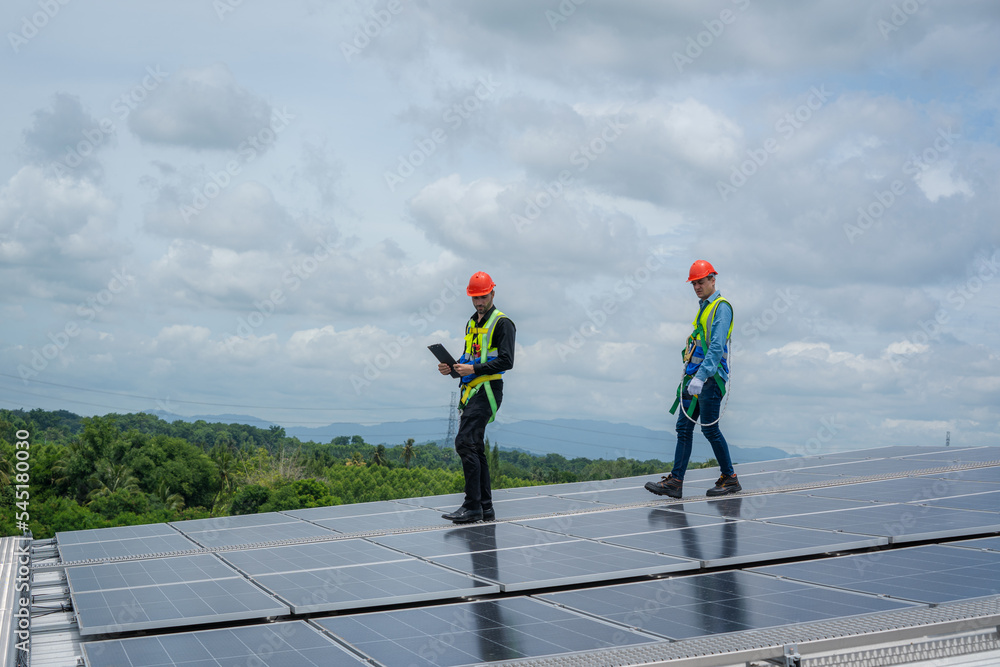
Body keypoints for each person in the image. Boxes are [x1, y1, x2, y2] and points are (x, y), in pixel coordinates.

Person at [646, 260, 740, 499]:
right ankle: (675, 482)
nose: (697, 286)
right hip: (694, 379)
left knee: (710, 430)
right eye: (694, 283)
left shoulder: (721, 307)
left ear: (712, 280)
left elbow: (717, 346)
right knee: (683, 429)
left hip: (709, 380)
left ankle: (730, 478)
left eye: (701, 281)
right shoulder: (704, 307)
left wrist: (701, 376)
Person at [438, 271, 515, 523]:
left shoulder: (503, 323)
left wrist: (473, 370)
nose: (479, 302)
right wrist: (453, 367)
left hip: (489, 390)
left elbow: (506, 361)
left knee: (464, 442)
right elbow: (468, 358)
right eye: (475, 298)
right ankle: (485, 507)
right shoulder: (471, 323)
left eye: (483, 297)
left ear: (493, 293)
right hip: (471, 390)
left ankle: (472, 506)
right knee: (475, 447)